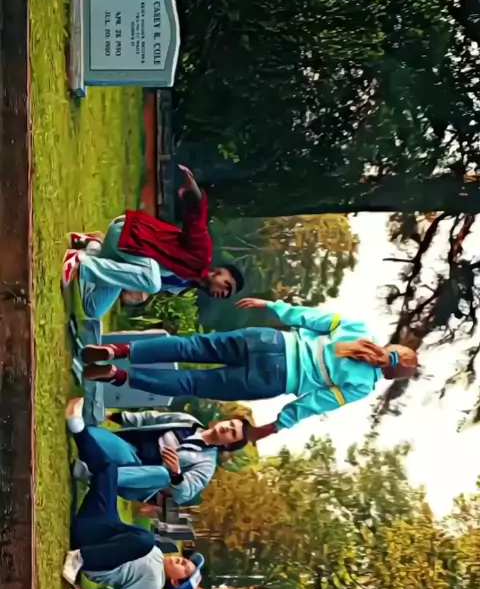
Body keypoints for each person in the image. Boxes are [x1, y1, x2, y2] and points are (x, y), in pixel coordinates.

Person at [81, 297, 419, 443]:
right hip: (271, 379)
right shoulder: (361, 387)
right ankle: (117, 375)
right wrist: (273, 427)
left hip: (269, 341)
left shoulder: (359, 329)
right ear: (390, 378)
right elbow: (313, 404)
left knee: (190, 346)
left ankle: (118, 350)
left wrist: (271, 305)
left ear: (393, 346)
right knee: (191, 382)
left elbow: (308, 317)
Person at [62, 424, 204, 589]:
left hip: (91, 555)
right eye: (186, 561)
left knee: (145, 540)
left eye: (184, 569)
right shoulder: (157, 554)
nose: (182, 561)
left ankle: (79, 558)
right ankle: (78, 428)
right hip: (95, 529)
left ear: (175, 582)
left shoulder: (153, 584)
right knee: (110, 471)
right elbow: (119, 533)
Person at [61, 166, 244, 317]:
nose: (224, 293)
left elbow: (139, 278)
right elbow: (197, 223)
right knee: (152, 281)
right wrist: (194, 195)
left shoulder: (185, 285)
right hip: (129, 235)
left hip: (124, 256)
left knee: (93, 308)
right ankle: (78, 262)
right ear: (218, 271)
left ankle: (93, 247)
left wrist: (140, 294)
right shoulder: (202, 256)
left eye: (227, 295)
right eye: (227, 285)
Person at [65, 396, 250, 504]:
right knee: (93, 434)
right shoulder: (187, 421)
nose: (228, 428)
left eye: (232, 433)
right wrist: (110, 415)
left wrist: (176, 473)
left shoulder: (206, 464)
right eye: (231, 424)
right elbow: (150, 418)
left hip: (137, 481)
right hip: (127, 449)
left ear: (228, 445)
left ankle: (97, 474)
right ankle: (90, 471)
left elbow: (184, 494)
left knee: (163, 474)